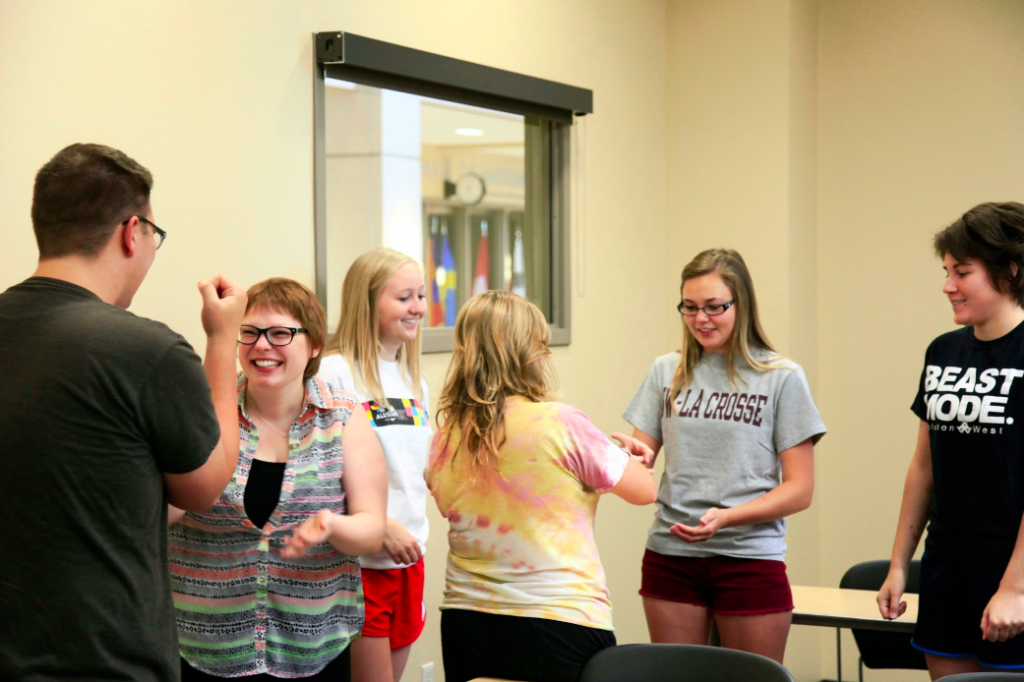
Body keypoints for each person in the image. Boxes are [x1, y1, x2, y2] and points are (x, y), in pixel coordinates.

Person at [0, 143, 245, 682]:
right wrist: (223, 341)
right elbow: (204, 486)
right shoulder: (144, 351)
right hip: (106, 662)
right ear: (132, 232)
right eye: (153, 236)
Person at [427, 290, 658, 682]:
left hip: (467, 621)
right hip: (558, 619)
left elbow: (454, 504)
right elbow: (644, 491)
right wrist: (633, 459)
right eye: (541, 345)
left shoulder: (444, 440)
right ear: (525, 353)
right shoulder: (560, 424)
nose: (546, 356)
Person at [169, 277, 388, 681]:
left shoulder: (342, 416)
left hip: (314, 649)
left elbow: (372, 530)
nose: (262, 345)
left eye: (280, 333)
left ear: (315, 344)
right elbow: (169, 506)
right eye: (249, 332)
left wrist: (331, 525)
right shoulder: (207, 408)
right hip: (206, 648)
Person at [622, 248, 825, 664]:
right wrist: (619, 456)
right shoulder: (667, 371)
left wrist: (727, 517)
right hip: (671, 555)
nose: (701, 319)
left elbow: (800, 490)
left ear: (741, 304)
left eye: (715, 307)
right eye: (690, 308)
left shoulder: (781, 377)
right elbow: (639, 463)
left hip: (748, 556)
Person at [878, 202, 1024, 679]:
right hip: (946, 565)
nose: (947, 286)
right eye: (946, 272)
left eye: (962, 272)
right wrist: (900, 563)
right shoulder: (943, 351)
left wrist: (1014, 589)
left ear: (1010, 271)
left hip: (1011, 570)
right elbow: (924, 465)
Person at [317, 248, 432, 682]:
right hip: (361, 565)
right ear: (368, 301)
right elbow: (316, 470)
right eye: (404, 298)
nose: (418, 308)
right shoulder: (333, 372)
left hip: (409, 560)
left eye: (421, 296)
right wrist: (376, 524)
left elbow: (412, 466)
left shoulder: (411, 376)